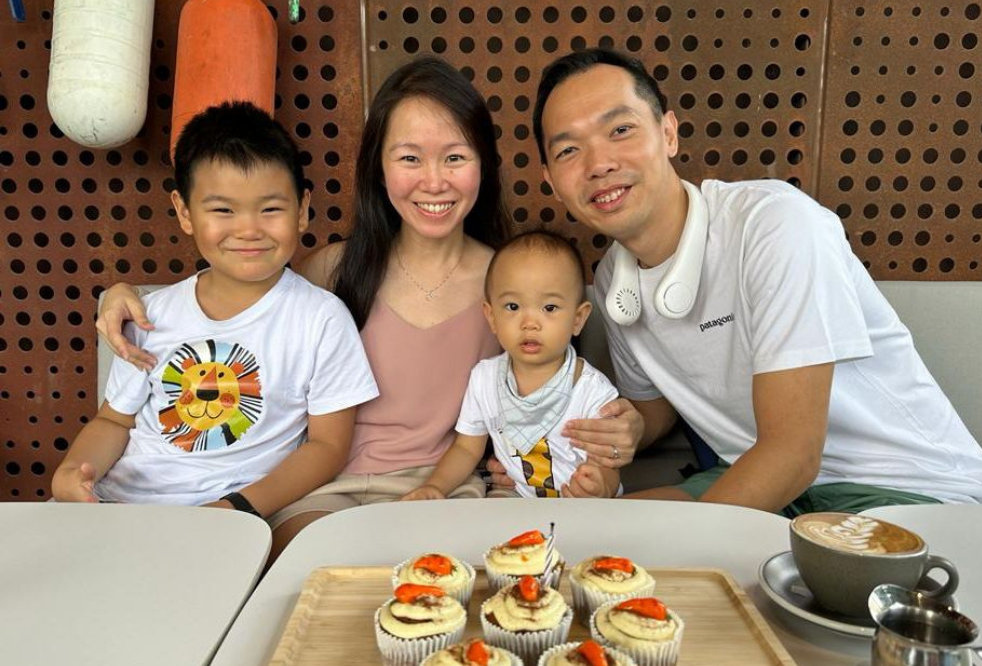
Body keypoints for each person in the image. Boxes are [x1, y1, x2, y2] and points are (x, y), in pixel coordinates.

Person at [95, 57, 644, 549]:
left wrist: (551, 456)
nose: (433, 181)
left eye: (455, 157)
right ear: (378, 168)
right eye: (409, 157)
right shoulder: (332, 270)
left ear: (484, 165)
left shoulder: (513, 284)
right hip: (324, 492)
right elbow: (231, 302)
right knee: (316, 574)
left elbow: (553, 393)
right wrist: (129, 297)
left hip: (446, 493)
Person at [530, 48, 982, 514]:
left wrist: (681, 548)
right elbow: (654, 408)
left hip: (901, 487)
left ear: (668, 133)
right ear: (551, 180)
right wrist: (631, 428)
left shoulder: (774, 224)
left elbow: (794, 454)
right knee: (590, 534)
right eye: (569, 149)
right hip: (756, 477)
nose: (598, 163)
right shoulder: (615, 275)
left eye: (620, 130)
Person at [52, 103, 379, 535]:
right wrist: (72, 470)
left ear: (302, 210)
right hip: (118, 506)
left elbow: (327, 446)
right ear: (185, 212)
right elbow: (114, 421)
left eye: (270, 209)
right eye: (223, 210)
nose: (248, 229)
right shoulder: (151, 314)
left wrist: (236, 508)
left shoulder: (319, 318)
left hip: (231, 514)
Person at [404, 231, 621, 501]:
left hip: (579, 507)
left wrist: (600, 486)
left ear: (578, 319)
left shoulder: (592, 391)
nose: (529, 322)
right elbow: (466, 449)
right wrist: (435, 487)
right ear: (491, 317)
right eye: (513, 306)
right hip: (514, 499)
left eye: (550, 308)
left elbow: (609, 464)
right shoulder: (485, 378)